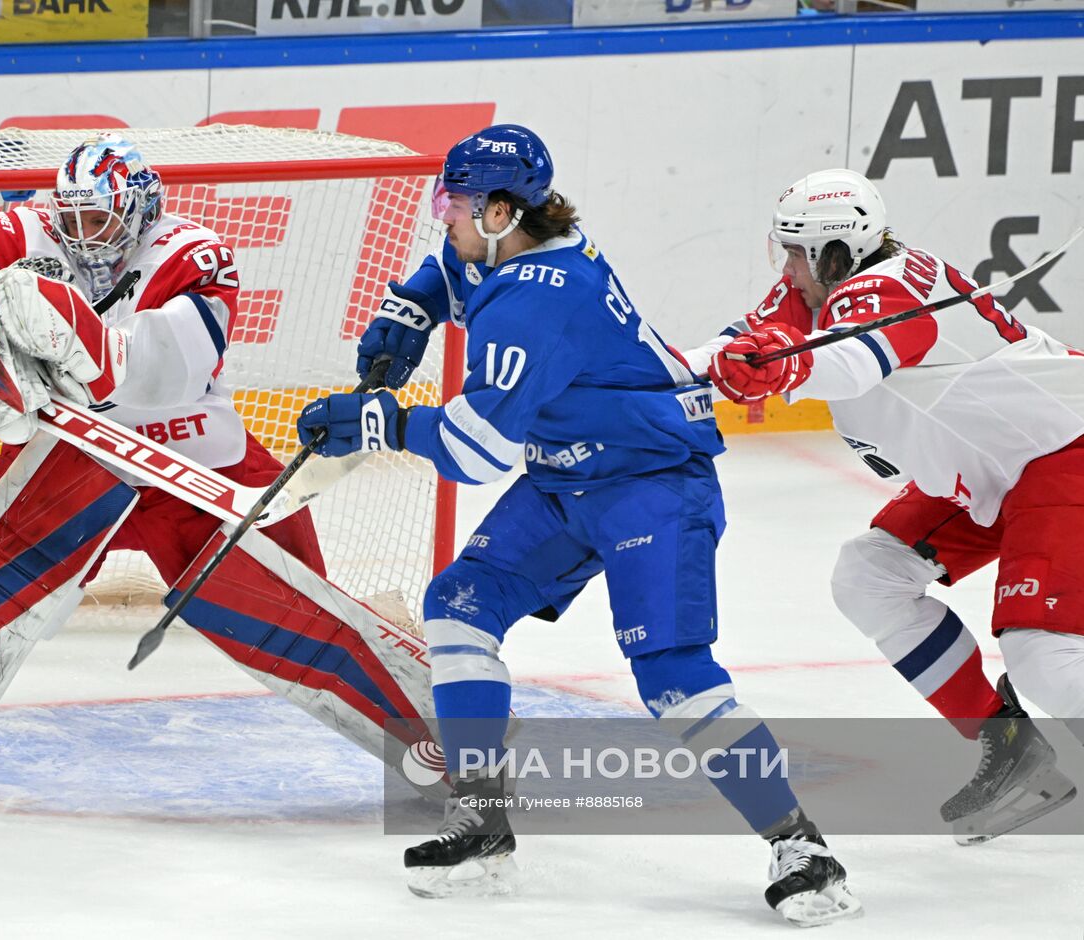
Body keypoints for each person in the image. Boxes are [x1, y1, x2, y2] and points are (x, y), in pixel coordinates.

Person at [296, 125, 861, 925]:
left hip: (651, 485)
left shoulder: (534, 300)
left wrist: (377, 419)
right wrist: (409, 309)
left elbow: (473, 449)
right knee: (457, 605)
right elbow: (449, 270)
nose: (441, 218)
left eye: (451, 204)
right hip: (567, 476)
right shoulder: (521, 241)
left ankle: (801, 845)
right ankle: (481, 822)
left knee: (671, 673)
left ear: (497, 211)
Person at [0, 133, 327, 812]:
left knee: (301, 601)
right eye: (69, 219)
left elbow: (170, 371)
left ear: (140, 211)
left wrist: (71, 343)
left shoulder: (195, 253)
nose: (81, 235)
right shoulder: (13, 230)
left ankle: (429, 729)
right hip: (60, 461)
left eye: (96, 219)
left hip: (190, 456)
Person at [689, 168, 1081, 844]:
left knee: (1042, 656)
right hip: (994, 473)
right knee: (868, 575)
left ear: (833, 252)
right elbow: (734, 347)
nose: (785, 268)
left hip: (1062, 451)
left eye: (794, 252)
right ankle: (1011, 746)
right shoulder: (812, 289)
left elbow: (852, 362)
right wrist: (628, 374)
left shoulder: (894, 286)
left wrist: (780, 366)